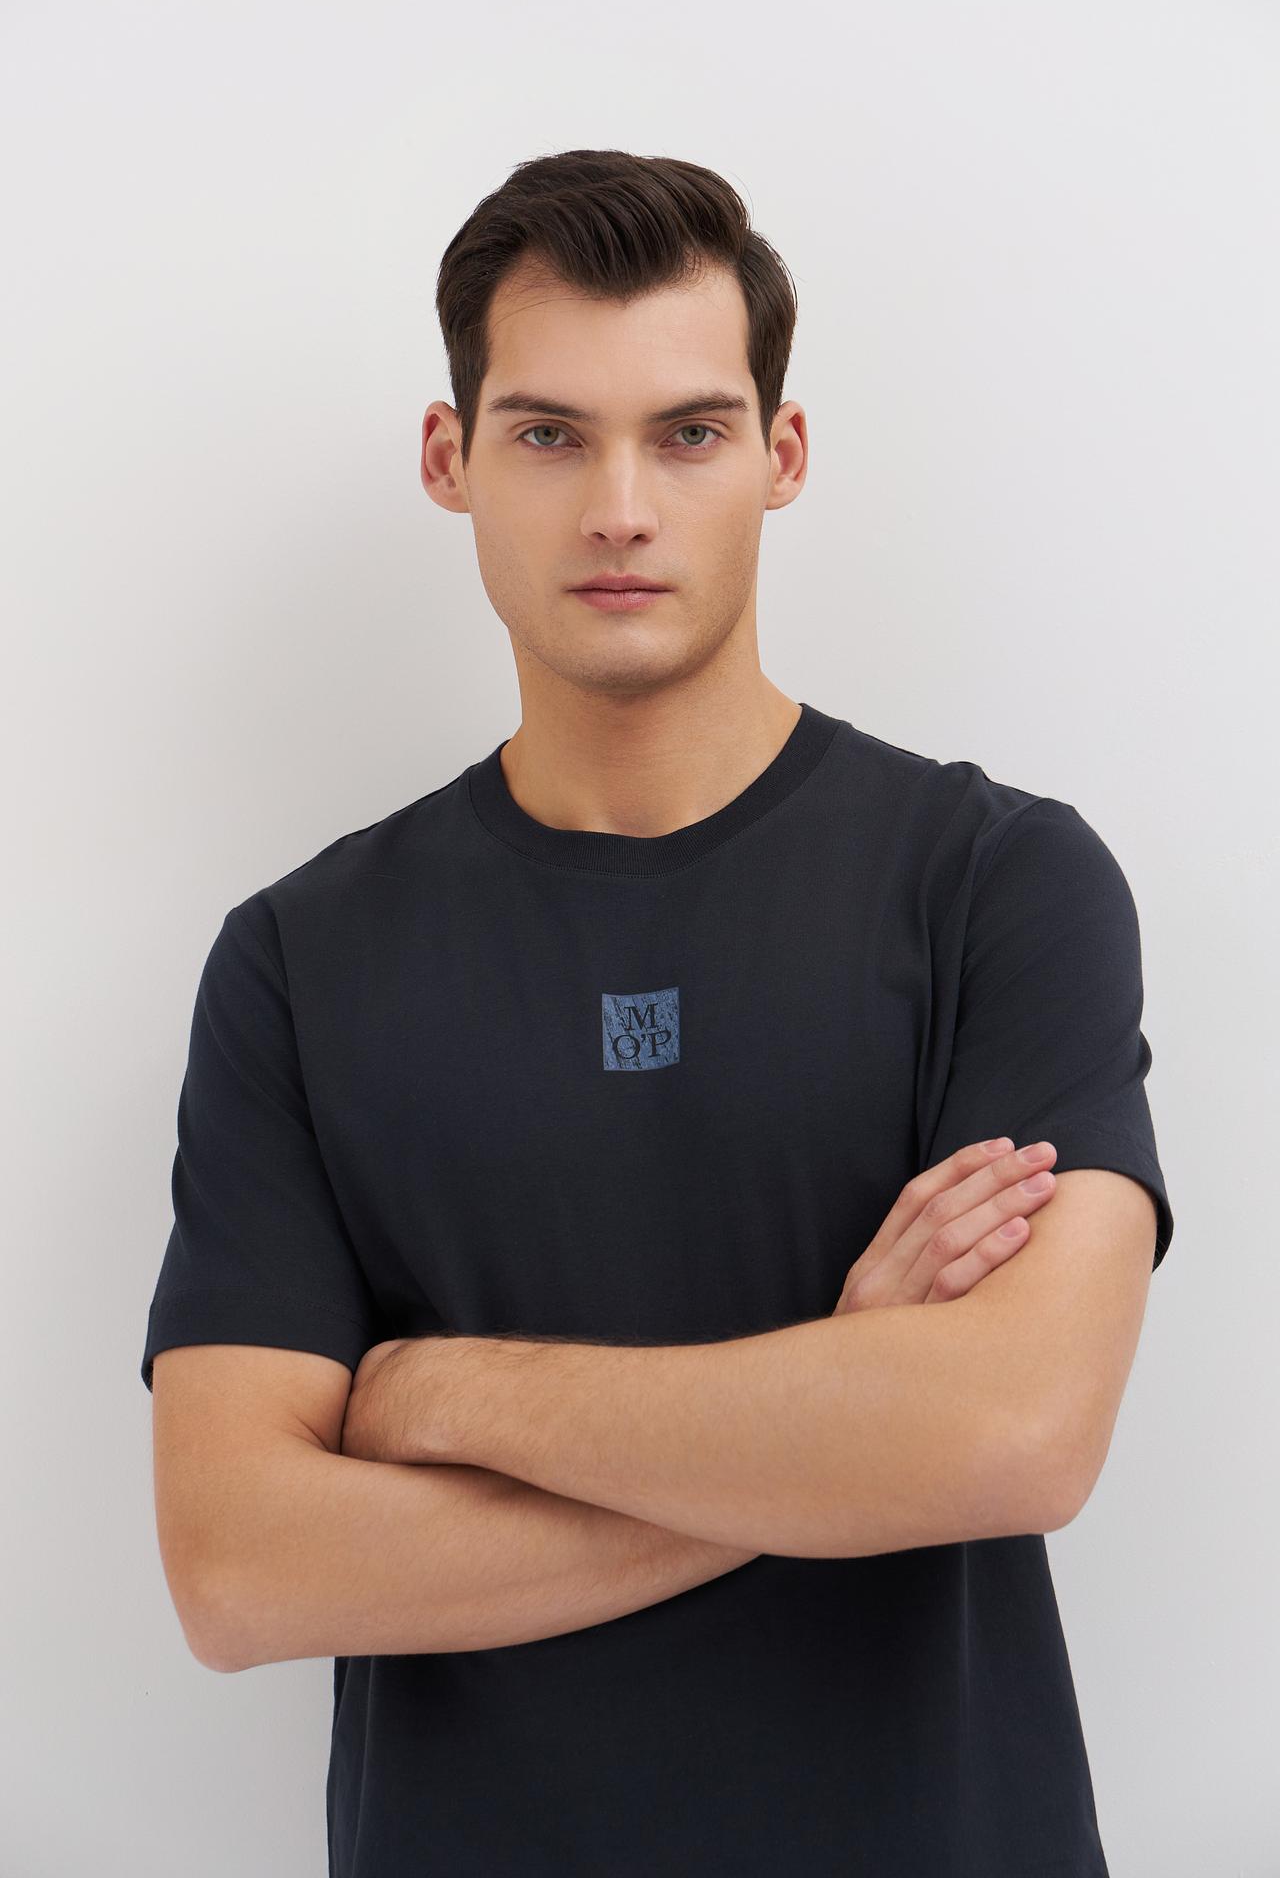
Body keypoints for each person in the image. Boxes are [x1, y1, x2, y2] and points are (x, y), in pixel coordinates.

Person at [141, 147, 1173, 1877]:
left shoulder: (1000, 883)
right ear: (451, 459)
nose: (620, 506)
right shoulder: (299, 960)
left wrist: (443, 1392)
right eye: (550, 434)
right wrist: (841, 1414)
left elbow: (1012, 1437)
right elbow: (240, 1571)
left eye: (688, 432)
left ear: (780, 456)